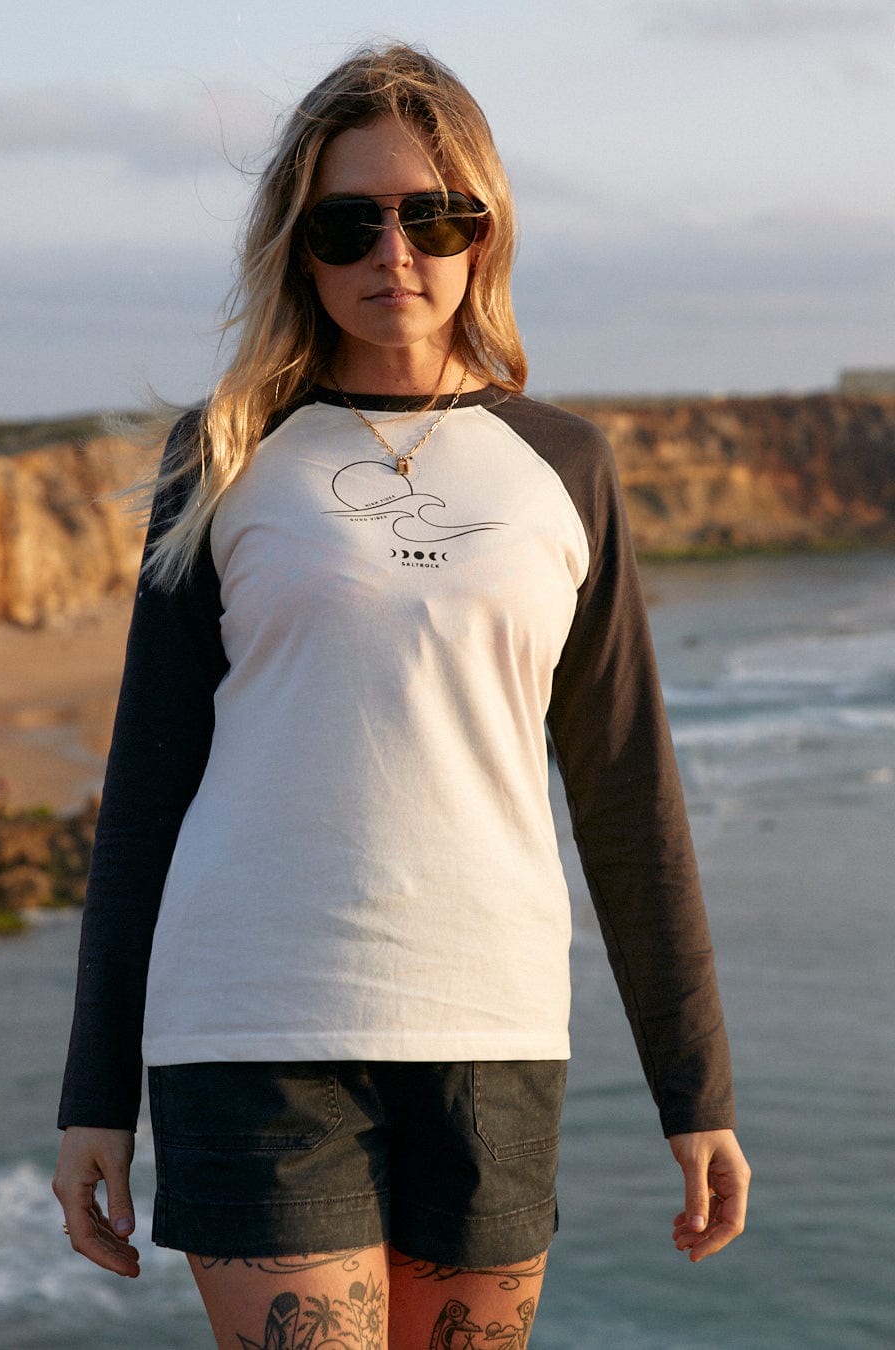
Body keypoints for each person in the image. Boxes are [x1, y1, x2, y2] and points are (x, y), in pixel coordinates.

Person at [53, 42, 750, 1346]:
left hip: (492, 1027)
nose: (397, 251)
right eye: (348, 219)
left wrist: (693, 1092)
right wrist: (94, 1095)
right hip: (250, 1024)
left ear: (485, 232)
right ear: (295, 242)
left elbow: (627, 797)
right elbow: (145, 790)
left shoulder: (563, 465)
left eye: (437, 216)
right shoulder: (222, 456)